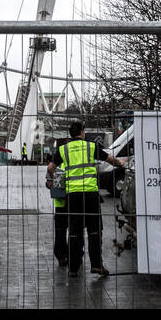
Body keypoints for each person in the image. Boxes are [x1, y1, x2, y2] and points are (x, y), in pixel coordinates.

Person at [48, 119, 125, 277]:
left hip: (72, 195)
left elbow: (50, 168)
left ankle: (73, 268)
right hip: (90, 194)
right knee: (95, 230)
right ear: (82, 132)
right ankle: (97, 265)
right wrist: (121, 164)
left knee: (75, 231)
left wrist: (59, 180)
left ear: (71, 134)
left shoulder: (64, 149)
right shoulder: (91, 146)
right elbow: (111, 160)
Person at [46, 160, 69, 267]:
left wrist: (57, 184)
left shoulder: (55, 163)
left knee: (60, 231)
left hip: (60, 203)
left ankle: (61, 256)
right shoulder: (76, 160)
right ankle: (75, 254)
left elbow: (49, 183)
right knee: (76, 230)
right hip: (75, 201)